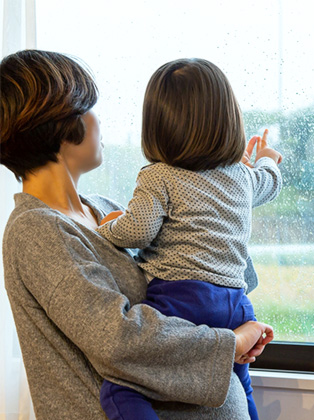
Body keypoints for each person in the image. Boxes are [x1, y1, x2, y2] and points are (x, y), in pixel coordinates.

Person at [0, 49, 274, 420]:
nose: (99, 121)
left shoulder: (104, 209)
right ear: (64, 125)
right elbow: (117, 338)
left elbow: (231, 272)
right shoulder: (36, 230)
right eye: (90, 108)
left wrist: (216, 186)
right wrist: (231, 343)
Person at [96, 58, 283, 420]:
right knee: (240, 386)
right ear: (229, 120)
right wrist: (269, 160)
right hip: (235, 304)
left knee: (120, 386)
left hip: (183, 300)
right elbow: (270, 183)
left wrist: (105, 226)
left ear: (157, 125)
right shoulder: (241, 177)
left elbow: (138, 231)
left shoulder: (159, 176)